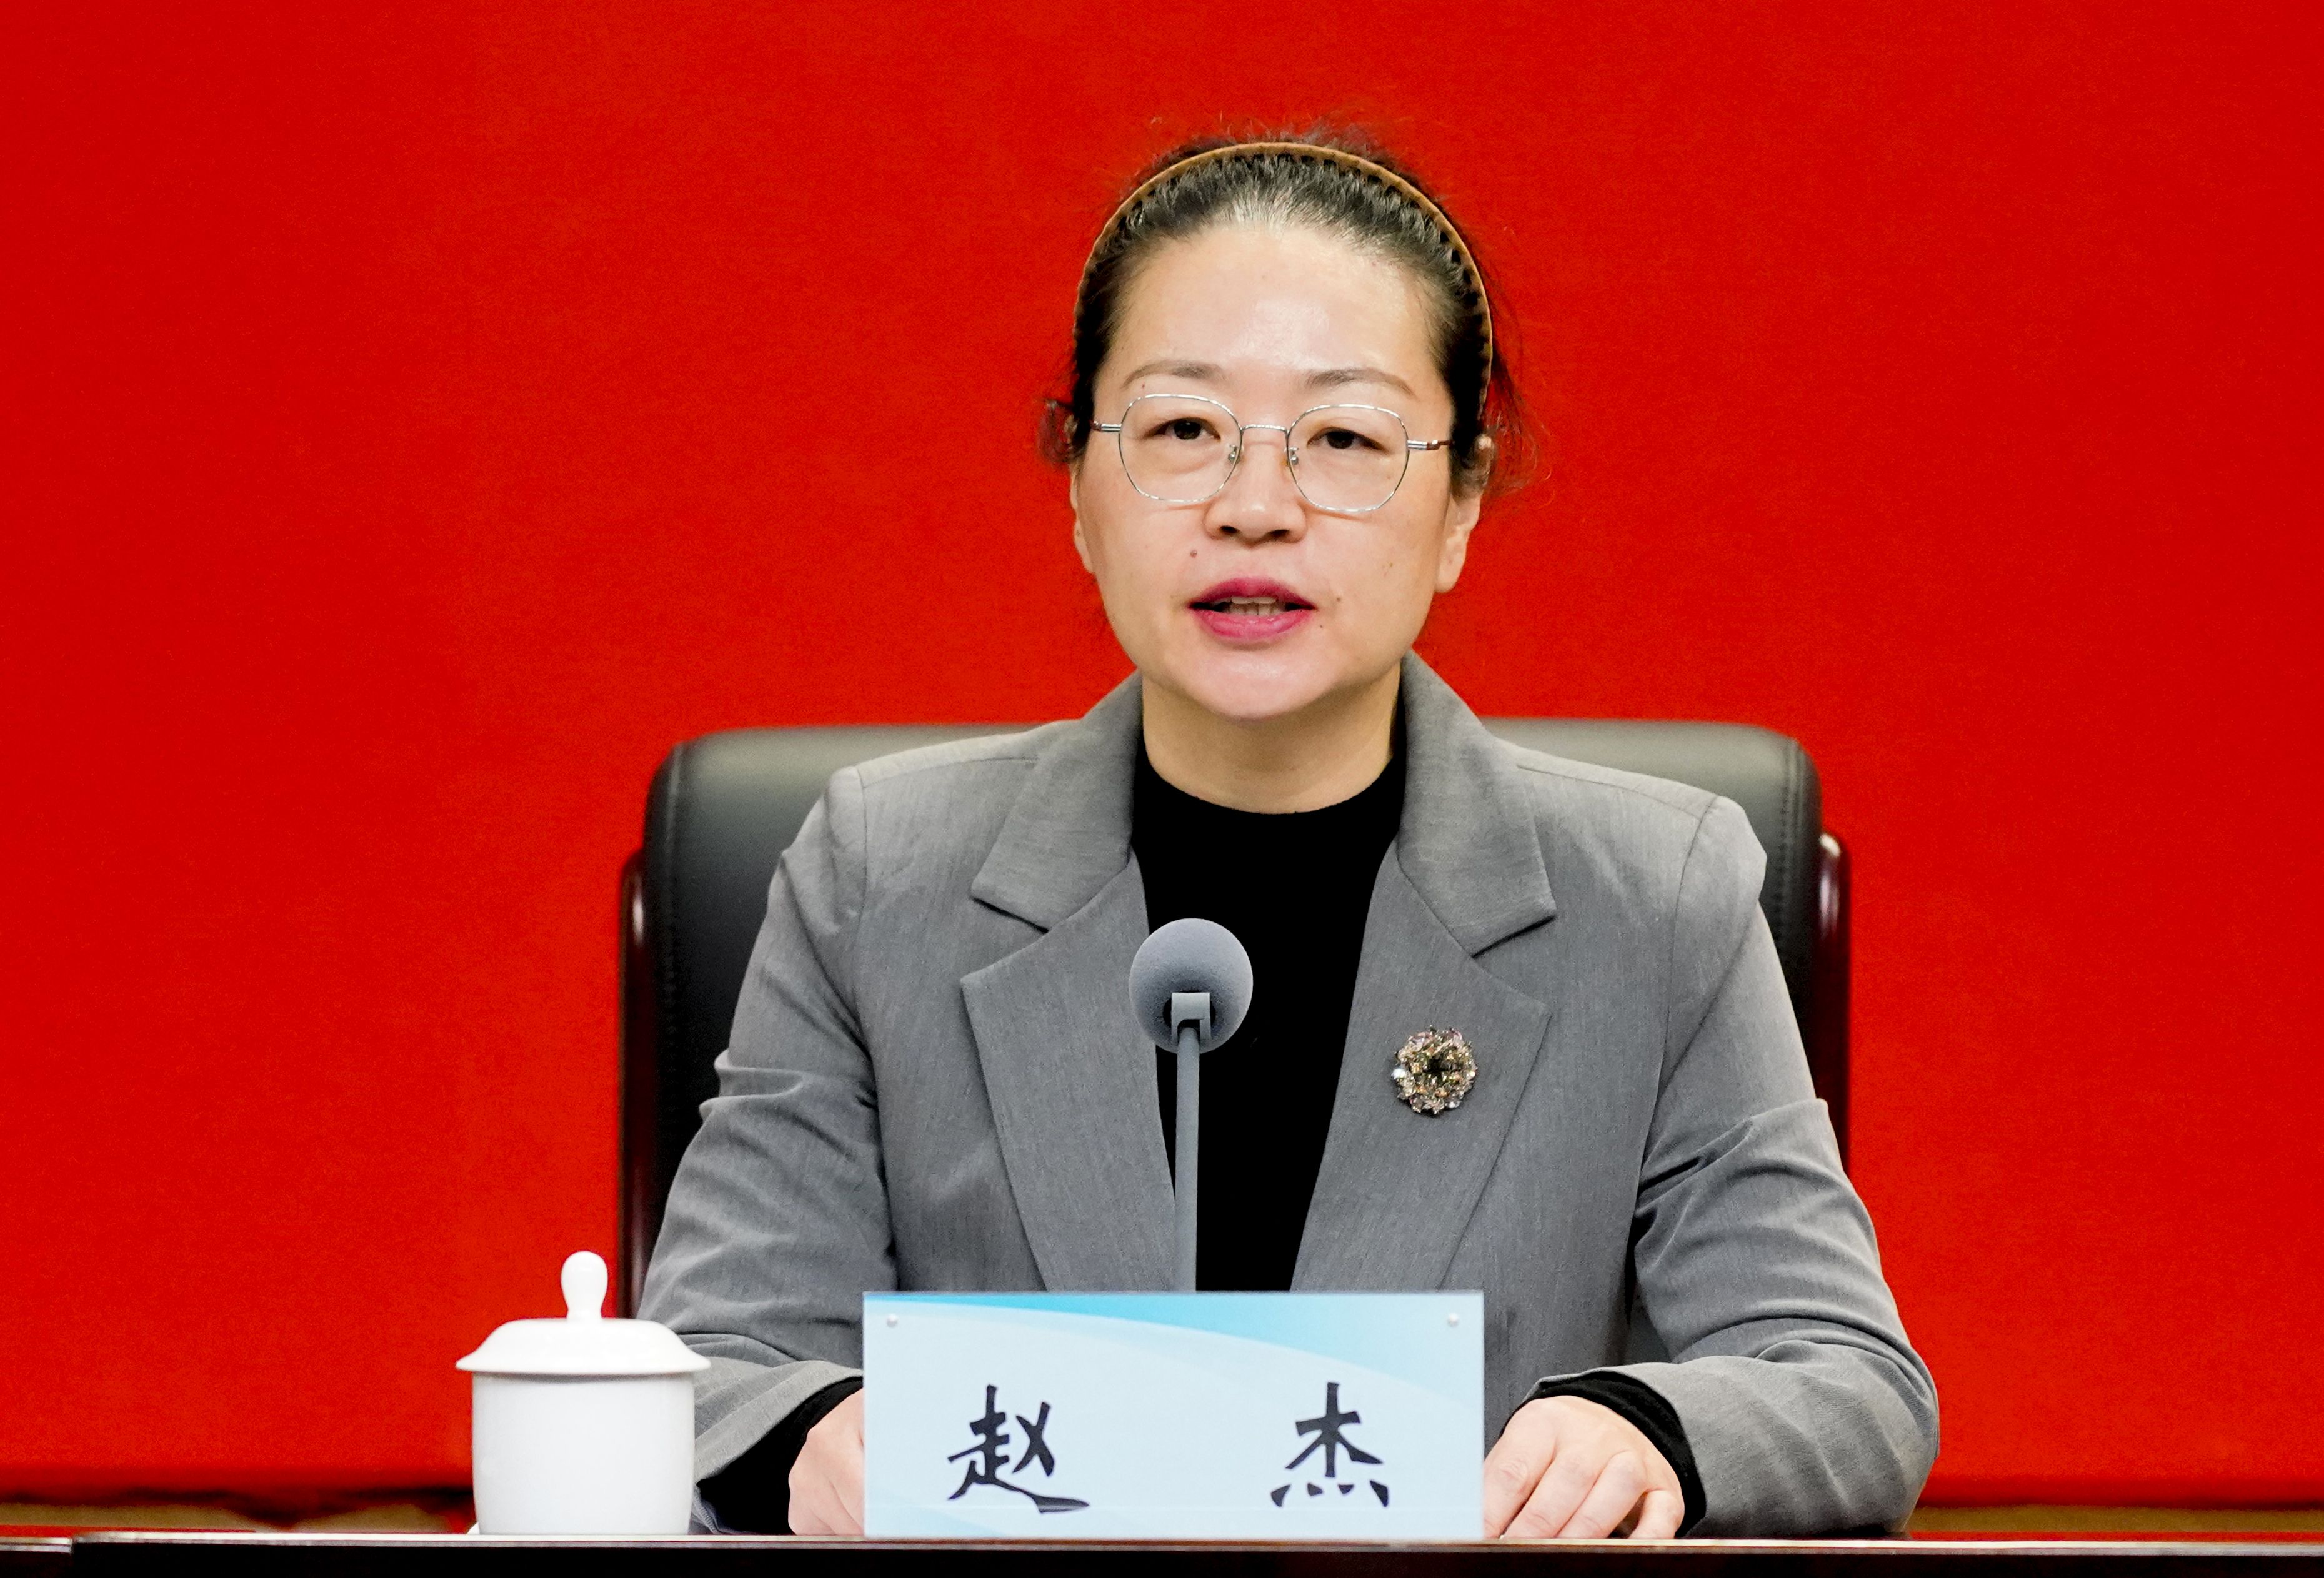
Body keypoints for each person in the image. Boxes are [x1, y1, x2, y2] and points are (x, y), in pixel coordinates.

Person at [640, 131, 1937, 1540]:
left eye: (1346, 440)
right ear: (1079, 485)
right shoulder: (879, 876)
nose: (1255, 509)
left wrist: (1644, 1430)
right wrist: (813, 1439)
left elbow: (1847, 1383)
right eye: (1182, 431)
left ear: (1460, 502)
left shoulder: (1654, 899)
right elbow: (710, 1364)